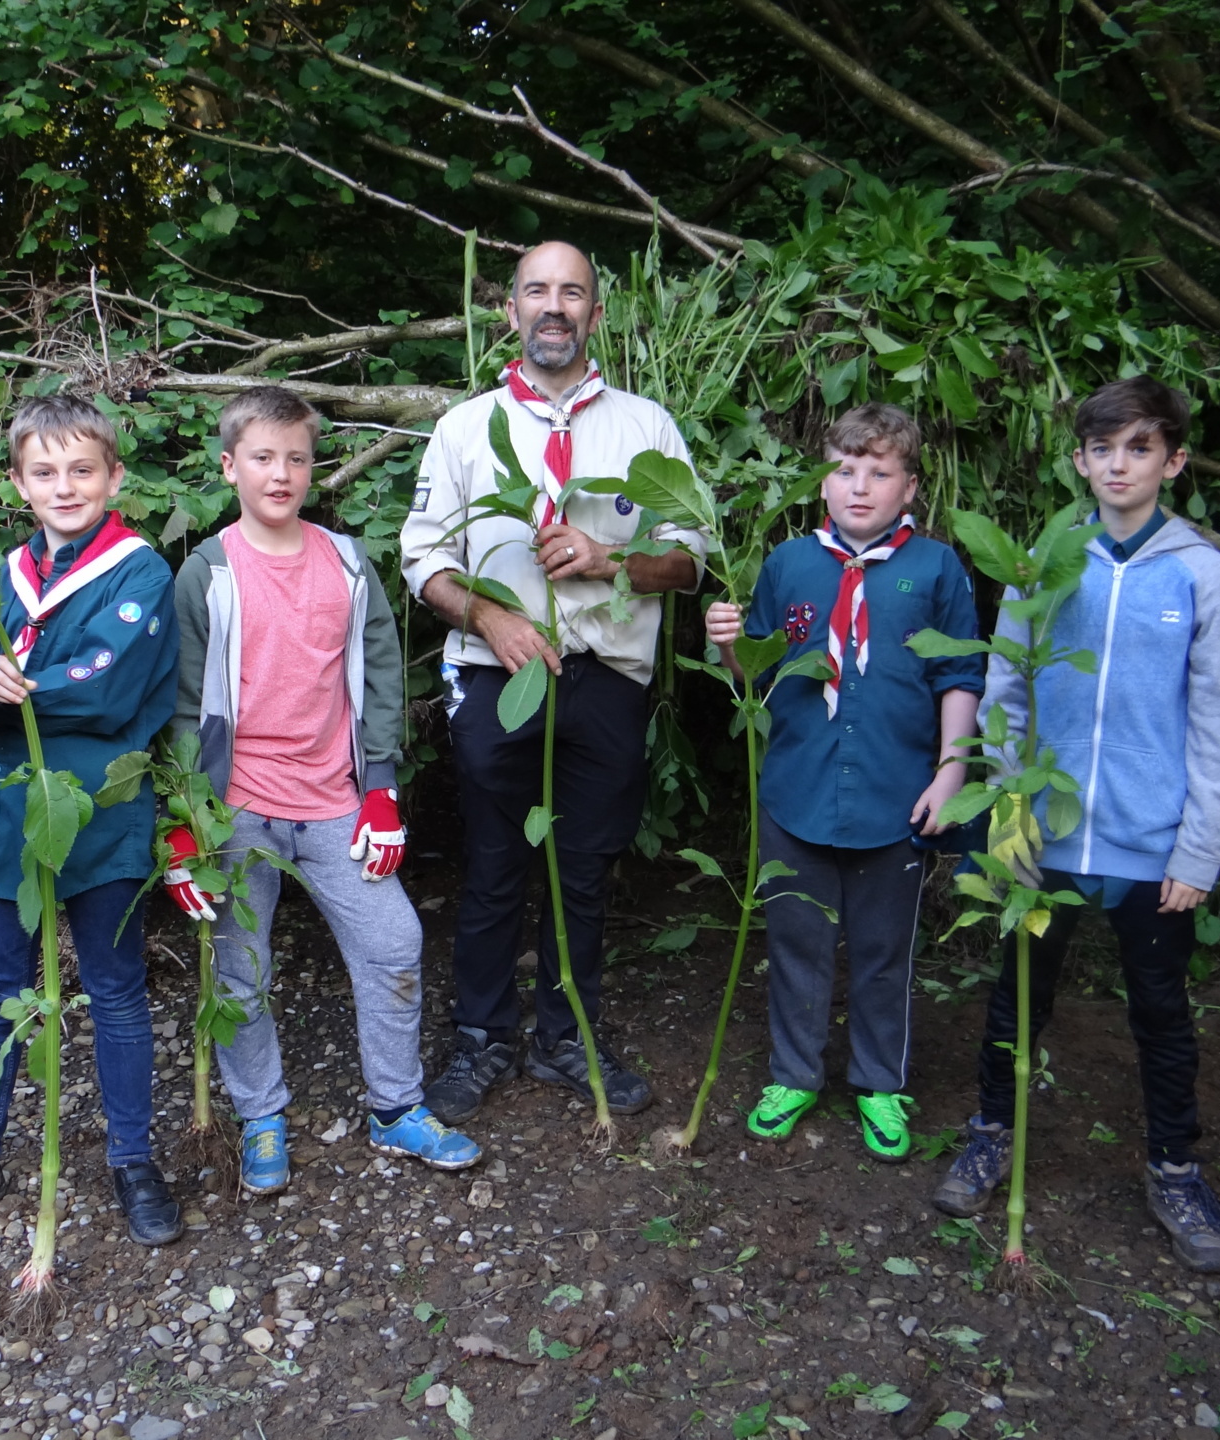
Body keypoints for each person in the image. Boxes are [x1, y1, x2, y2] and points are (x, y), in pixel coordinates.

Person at [932, 375, 1220, 1274]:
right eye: (1101, 449)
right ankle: (992, 1131)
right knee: (1016, 999)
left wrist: (1197, 850)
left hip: (1151, 848)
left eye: (1139, 448)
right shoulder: (1049, 560)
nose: (1119, 465)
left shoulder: (1202, 577)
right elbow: (1007, 692)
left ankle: (1175, 1169)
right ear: (1079, 461)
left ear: (1173, 461)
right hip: (1044, 837)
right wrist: (1002, 817)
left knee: (1159, 1011)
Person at [400, 240, 707, 1123]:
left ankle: (567, 1036)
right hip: (498, 675)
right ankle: (482, 1038)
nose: (553, 307)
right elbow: (423, 563)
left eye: (572, 292)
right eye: (537, 290)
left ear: (595, 315)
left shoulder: (645, 426)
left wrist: (613, 560)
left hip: (606, 675)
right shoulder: (465, 428)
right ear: (511, 312)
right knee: (495, 862)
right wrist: (490, 619)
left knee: (583, 867)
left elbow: (689, 564)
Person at [0, 396, 183, 1251]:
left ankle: (133, 1158)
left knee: (116, 987)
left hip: (99, 807)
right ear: (19, 483)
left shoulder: (140, 571)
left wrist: (15, 689)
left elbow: (108, 685)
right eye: (45, 473)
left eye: (82, 470)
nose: (66, 487)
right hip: (3, 806)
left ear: (113, 476)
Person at [169, 386, 480, 1196]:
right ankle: (261, 1117)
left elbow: (379, 681)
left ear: (314, 468)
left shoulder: (346, 563)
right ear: (230, 464)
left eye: (297, 458)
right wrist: (182, 825)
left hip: (334, 797)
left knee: (394, 944)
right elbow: (178, 705)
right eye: (263, 458)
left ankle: (396, 1107)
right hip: (235, 804)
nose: (281, 474)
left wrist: (380, 792)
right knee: (240, 968)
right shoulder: (205, 571)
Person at [704, 404, 982, 1161]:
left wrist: (950, 771)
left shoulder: (936, 569)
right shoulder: (788, 563)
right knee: (795, 938)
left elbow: (958, 674)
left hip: (895, 796)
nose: (859, 486)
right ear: (821, 481)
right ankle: (794, 1073)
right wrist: (729, 648)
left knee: (885, 947)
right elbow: (755, 674)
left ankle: (879, 1083)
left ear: (909, 488)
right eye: (844, 469)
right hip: (798, 790)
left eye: (879, 472)